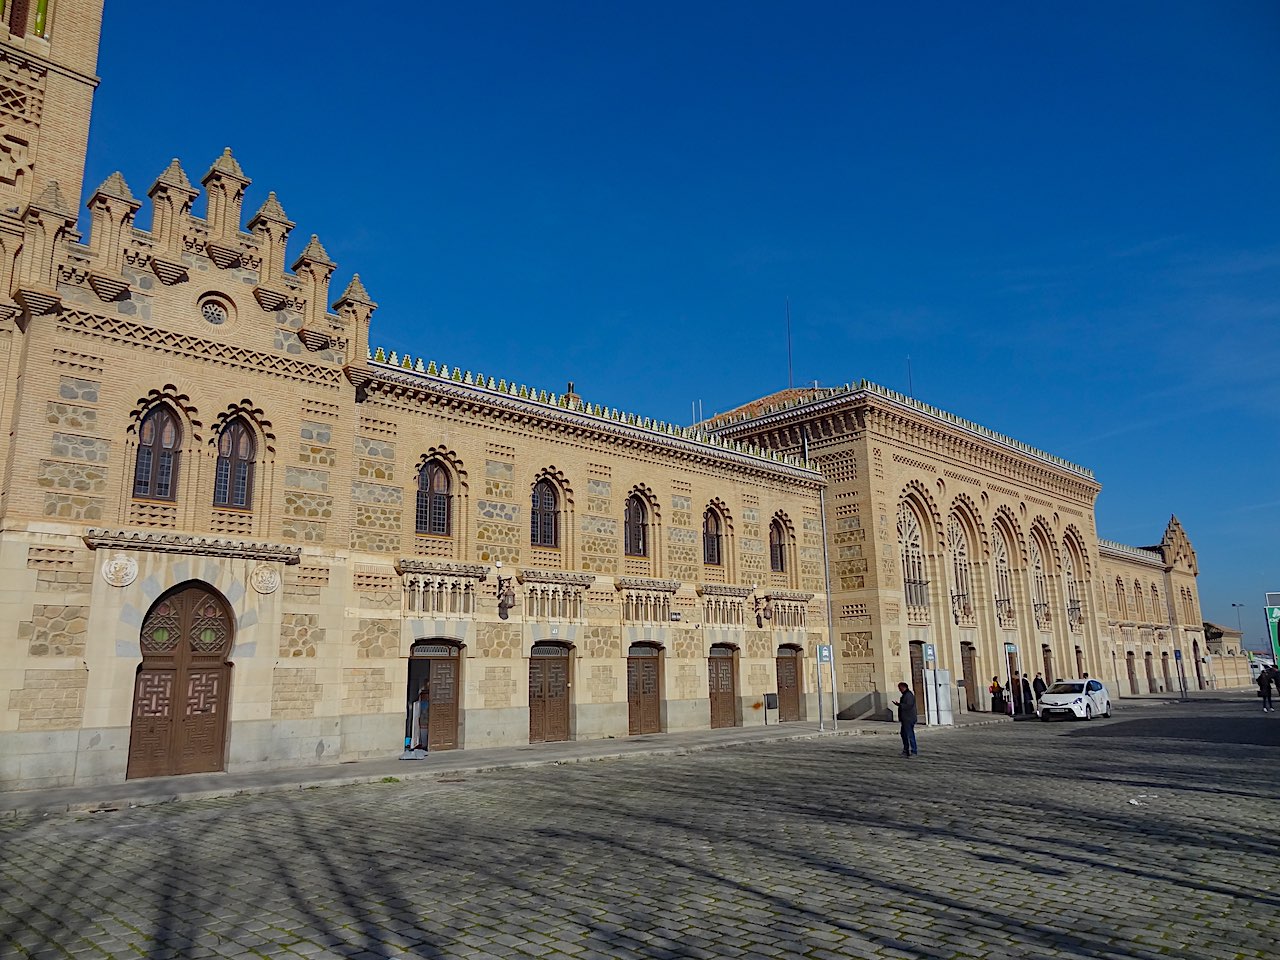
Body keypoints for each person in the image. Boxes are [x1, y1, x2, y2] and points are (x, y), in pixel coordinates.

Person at [892, 681, 917, 757]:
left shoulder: (908, 695)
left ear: (904, 687)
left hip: (908, 718)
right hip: (905, 719)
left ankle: (914, 751)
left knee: (910, 735)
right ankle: (906, 750)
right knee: (903, 734)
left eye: (900, 688)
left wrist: (900, 705)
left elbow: (908, 706)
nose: (899, 690)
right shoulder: (905, 695)